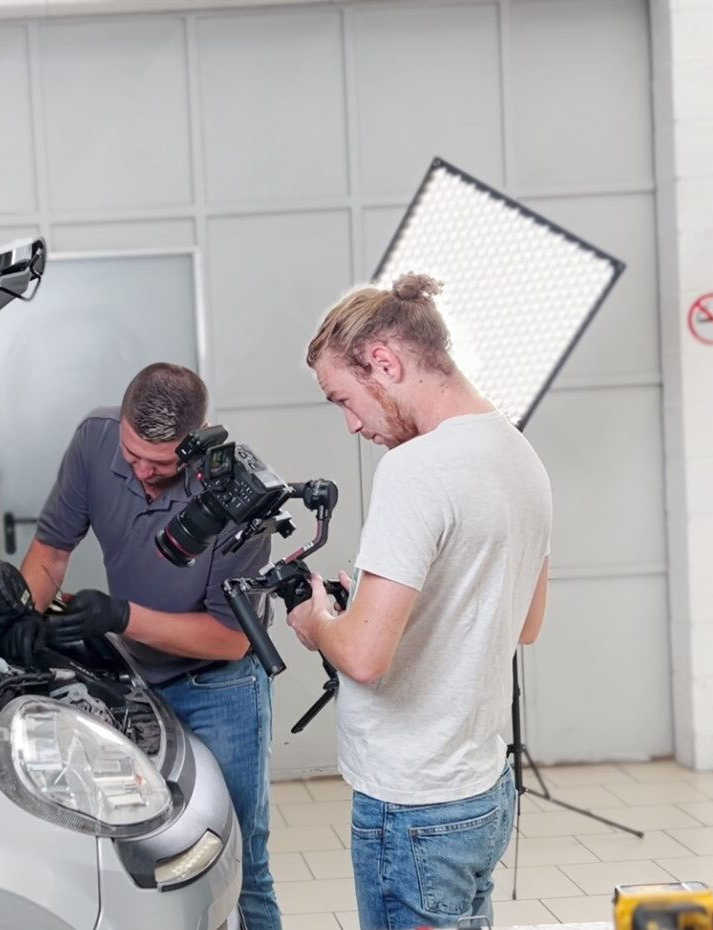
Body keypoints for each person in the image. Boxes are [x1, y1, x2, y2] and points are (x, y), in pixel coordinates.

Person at [287, 273, 552, 929]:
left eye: (344, 399)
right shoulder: (519, 453)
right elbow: (527, 623)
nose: (352, 424)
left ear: (384, 362)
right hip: (481, 790)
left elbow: (367, 658)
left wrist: (319, 620)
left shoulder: (413, 469)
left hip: (413, 805)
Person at [19, 362, 280, 930]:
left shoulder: (238, 495)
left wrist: (119, 615)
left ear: (198, 442)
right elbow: (50, 552)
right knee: (144, 855)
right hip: (136, 678)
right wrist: (22, 626)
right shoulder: (95, 438)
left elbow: (232, 639)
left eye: (159, 463)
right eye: (131, 454)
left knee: (240, 861)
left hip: (221, 688)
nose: (138, 472)